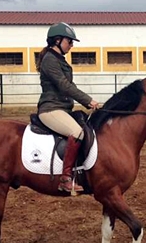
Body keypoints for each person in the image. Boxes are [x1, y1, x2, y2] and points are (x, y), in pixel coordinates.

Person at [37, 22, 100, 193]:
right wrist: (88, 100)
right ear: (57, 40)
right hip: (51, 109)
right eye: (69, 42)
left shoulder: (59, 60)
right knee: (77, 132)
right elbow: (65, 86)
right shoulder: (50, 60)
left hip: (62, 108)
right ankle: (65, 179)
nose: (71, 45)